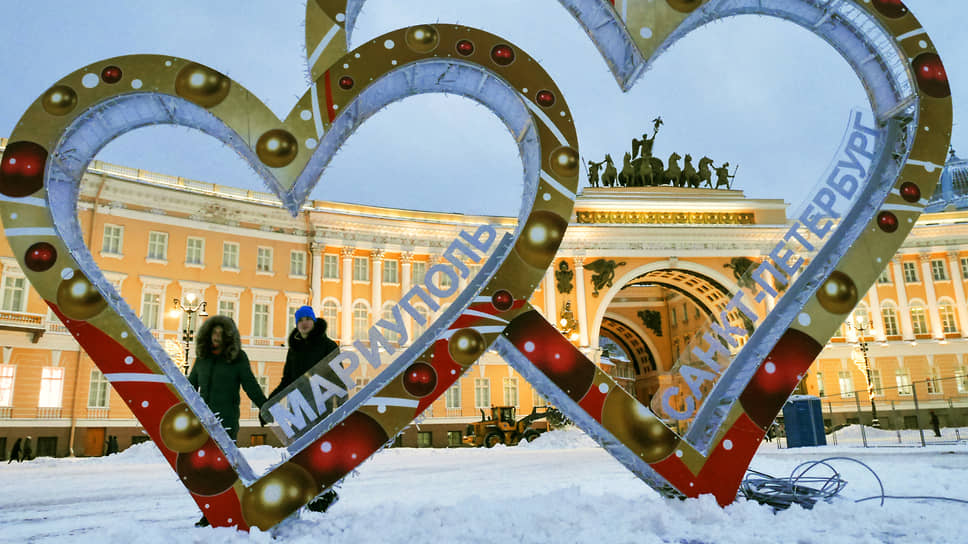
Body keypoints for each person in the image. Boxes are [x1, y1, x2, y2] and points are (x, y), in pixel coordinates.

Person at [188, 315, 267, 527]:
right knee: (205, 468)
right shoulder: (202, 358)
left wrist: (264, 406)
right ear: (208, 334)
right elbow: (190, 386)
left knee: (223, 467)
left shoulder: (237, 358)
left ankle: (229, 508)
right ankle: (210, 512)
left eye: (221, 334)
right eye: (214, 332)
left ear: (228, 337)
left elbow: (250, 385)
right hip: (203, 421)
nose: (217, 337)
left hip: (227, 420)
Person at [267, 305, 344, 514]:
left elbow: (338, 377)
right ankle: (311, 494)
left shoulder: (328, 345)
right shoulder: (294, 348)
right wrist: (270, 403)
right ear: (297, 324)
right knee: (302, 451)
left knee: (318, 450)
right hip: (298, 407)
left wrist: (342, 406)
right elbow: (287, 380)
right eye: (300, 320)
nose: (304, 323)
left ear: (314, 321)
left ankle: (325, 493)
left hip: (320, 405)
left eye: (307, 319)